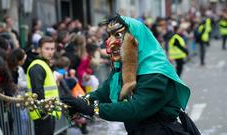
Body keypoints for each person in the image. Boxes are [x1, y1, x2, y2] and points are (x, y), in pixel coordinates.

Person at [60, 15, 195, 135]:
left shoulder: (156, 73)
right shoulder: (124, 68)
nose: (110, 42)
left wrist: (92, 109)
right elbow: (104, 92)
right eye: (109, 35)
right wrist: (80, 102)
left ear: (137, 39)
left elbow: (135, 109)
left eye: (118, 35)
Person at [26, 36, 60, 135]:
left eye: (52, 49)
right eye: (47, 49)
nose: (50, 52)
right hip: (43, 114)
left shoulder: (43, 64)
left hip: (47, 112)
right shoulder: (37, 66)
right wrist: (44, 113)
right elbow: (37, 91)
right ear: (39, 49)